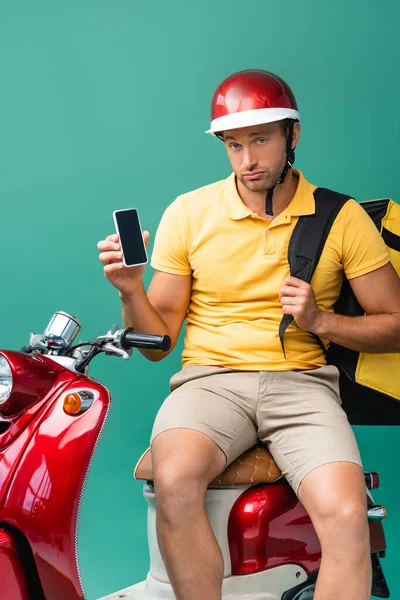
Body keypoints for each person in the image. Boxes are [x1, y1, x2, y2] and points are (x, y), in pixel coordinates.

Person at [97, 69, 400, 600]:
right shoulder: (190, 213)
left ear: (293, 135)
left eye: (260, 140)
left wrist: (321, 322)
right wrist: (129, 291)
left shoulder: (341, 217)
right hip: (209, 384)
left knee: (350, 514)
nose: (247, 160)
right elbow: (160, 341)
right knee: (173, 482)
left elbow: (396, 324)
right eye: (234, 145)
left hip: (304, 386)